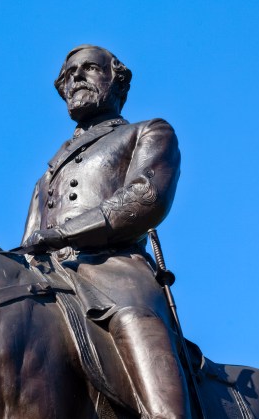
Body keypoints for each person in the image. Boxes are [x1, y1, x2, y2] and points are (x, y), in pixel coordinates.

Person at [21, 45, 190, 418]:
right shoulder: (45, 177)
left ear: (117, 79)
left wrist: (65, 233)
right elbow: (28, 247)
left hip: (116, 273)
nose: (76, 77)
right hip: (51, 279)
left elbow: (146, 197)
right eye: (68, 75)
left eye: (89, 68)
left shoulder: (149, 132)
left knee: (132, 318)